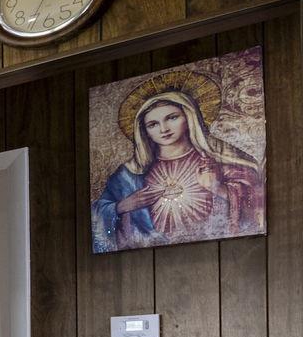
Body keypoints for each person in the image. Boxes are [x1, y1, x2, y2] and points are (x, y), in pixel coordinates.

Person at [93, 74, 264, 251]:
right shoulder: (129, 175)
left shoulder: (216, 161)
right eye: (153, 124)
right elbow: (94, 218)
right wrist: (122, 206)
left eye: (172, 117)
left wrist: (217, 187)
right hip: (149, 259)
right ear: (144, 131)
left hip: (221, 251)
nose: (164, 129)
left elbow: (258, 204)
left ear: (189, 117)